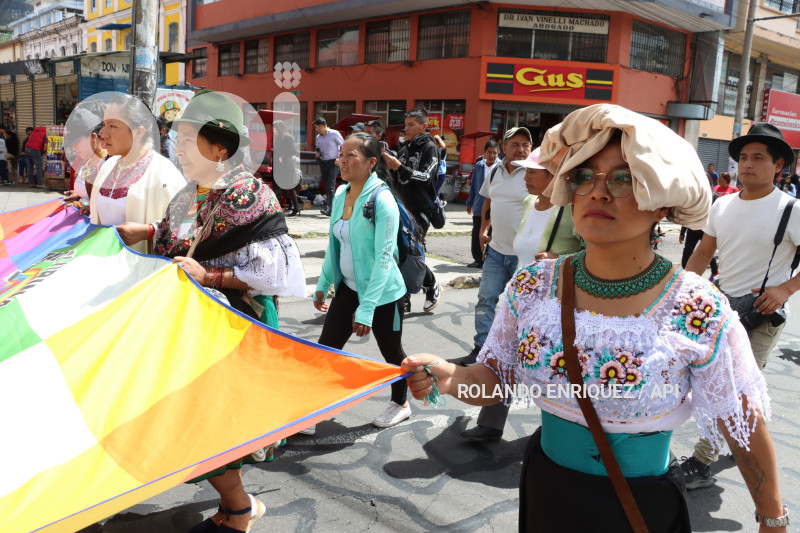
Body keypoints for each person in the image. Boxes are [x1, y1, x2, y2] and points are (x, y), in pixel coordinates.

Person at [402, 104, 788, 532]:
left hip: (641, 504)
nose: (599, 192)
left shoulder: (698, 307)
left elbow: (745, 425)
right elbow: (496, 376)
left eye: (624, 178)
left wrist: (772, 519)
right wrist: (449, 376)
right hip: (547, 490)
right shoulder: (532, 287)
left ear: (661, 203)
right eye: (585, 176)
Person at [116, 90, 306, 533]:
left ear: (220, 148)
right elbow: (172, 238)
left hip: (233, 330)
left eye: (187, 139)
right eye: (177, 140)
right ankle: (237, 504)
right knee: (191, 423)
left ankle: (239, 509)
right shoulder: (188, 193)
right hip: (187, 329)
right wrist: (143, 231)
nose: (177, 148)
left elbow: (276, 273)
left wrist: (209, 277)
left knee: (210, 425)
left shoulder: (250, 196)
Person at [683, 122, 798, 491]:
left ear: (778, 165)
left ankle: (702, 459)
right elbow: (704, 250)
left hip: (762, 313)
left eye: (758, 158)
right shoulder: (723, 204)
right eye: (743, 157)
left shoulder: (791, 209)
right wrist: (682, 289)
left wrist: (785, 289)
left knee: (731, 387)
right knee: (728, 385)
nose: (747, 164)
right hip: (721, 306)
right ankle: (743, 431)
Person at [313, 132, 411, 431]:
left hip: (384, 293)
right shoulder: (341, 194)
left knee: (391, 352)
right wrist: (323, 283)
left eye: (350, 155)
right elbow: (335, 245)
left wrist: (367, 309)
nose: (342, 160)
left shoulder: (383, 201)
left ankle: (401, 404)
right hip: (349, 288)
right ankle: (314, 406)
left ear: (370, 163)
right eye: (341, 154)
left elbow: (384, 258)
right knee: (326, 348)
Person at [454, 127, 531, 375]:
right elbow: (488, 199)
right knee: (486, 300)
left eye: (526, 145)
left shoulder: (535, 173)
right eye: (516, 144)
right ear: (504, 147)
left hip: (524, 255)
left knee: (522, 307)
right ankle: (482, 349)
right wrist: (483, 228)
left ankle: (522, 355)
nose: (521, 149)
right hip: (497, 251)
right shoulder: (496, 170)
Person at [89, 94, 186, 253]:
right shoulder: (108, 166)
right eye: (104, 124)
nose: (103, 133)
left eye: (112, 126)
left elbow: (185, 228)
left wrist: (149, 231)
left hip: (141, 271)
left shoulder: (164, 173)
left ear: (139, 132)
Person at [382, 107, 441, 313]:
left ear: (424, 126)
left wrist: (399, 166)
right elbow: (396, 178)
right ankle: (403, 298)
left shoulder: (429, 148)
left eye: (411, 125)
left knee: (410, 252)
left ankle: (431, 284)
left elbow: (426, 178)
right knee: (398, 251)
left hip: (421, 211)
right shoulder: (404, 147)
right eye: (405, 125)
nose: (406, 128)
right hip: (400, 208)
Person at [62, 103, 108, 210]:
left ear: (93, 137)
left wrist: (83, 205)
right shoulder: (86, 161)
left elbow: (109, 206)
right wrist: (77, 196)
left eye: (76, 142)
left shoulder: (107, 163)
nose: (74, 148)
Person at [465, 140, 500, 268]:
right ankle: (478, 259)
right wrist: (469, 203)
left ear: (498, 154)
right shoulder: (479, 166)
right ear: (484, 153)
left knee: (491, 234)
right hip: (479, 206)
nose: (492, 155)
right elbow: (474, 186)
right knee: (476, 233)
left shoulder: (501, 167)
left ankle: (490, 260)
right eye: (489, 152)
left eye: (495, 153)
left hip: (495, 207)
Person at [312, 117, 344, 216]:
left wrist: (340, 157)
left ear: (322, 126)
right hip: (323, 162)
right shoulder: (318, 137)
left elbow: (344, 146)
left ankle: (330, 208)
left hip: (333, 162)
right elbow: (319, 150)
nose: (316, 130)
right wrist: (317, 154)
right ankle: (333, 206)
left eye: (316, 127)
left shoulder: (334, 134)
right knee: (326, 185)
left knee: (330, 185)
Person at [273, 120, 301, 216]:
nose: (273, 130)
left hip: (286, 166)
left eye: (274, 128)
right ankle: (295, 207)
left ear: (279, 128)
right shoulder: (278, 138)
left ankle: (272, 208)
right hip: (279, 166)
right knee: (278, 186)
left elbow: (293, 151)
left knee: (287, 186)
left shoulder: (287, 138)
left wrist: (282, 157)